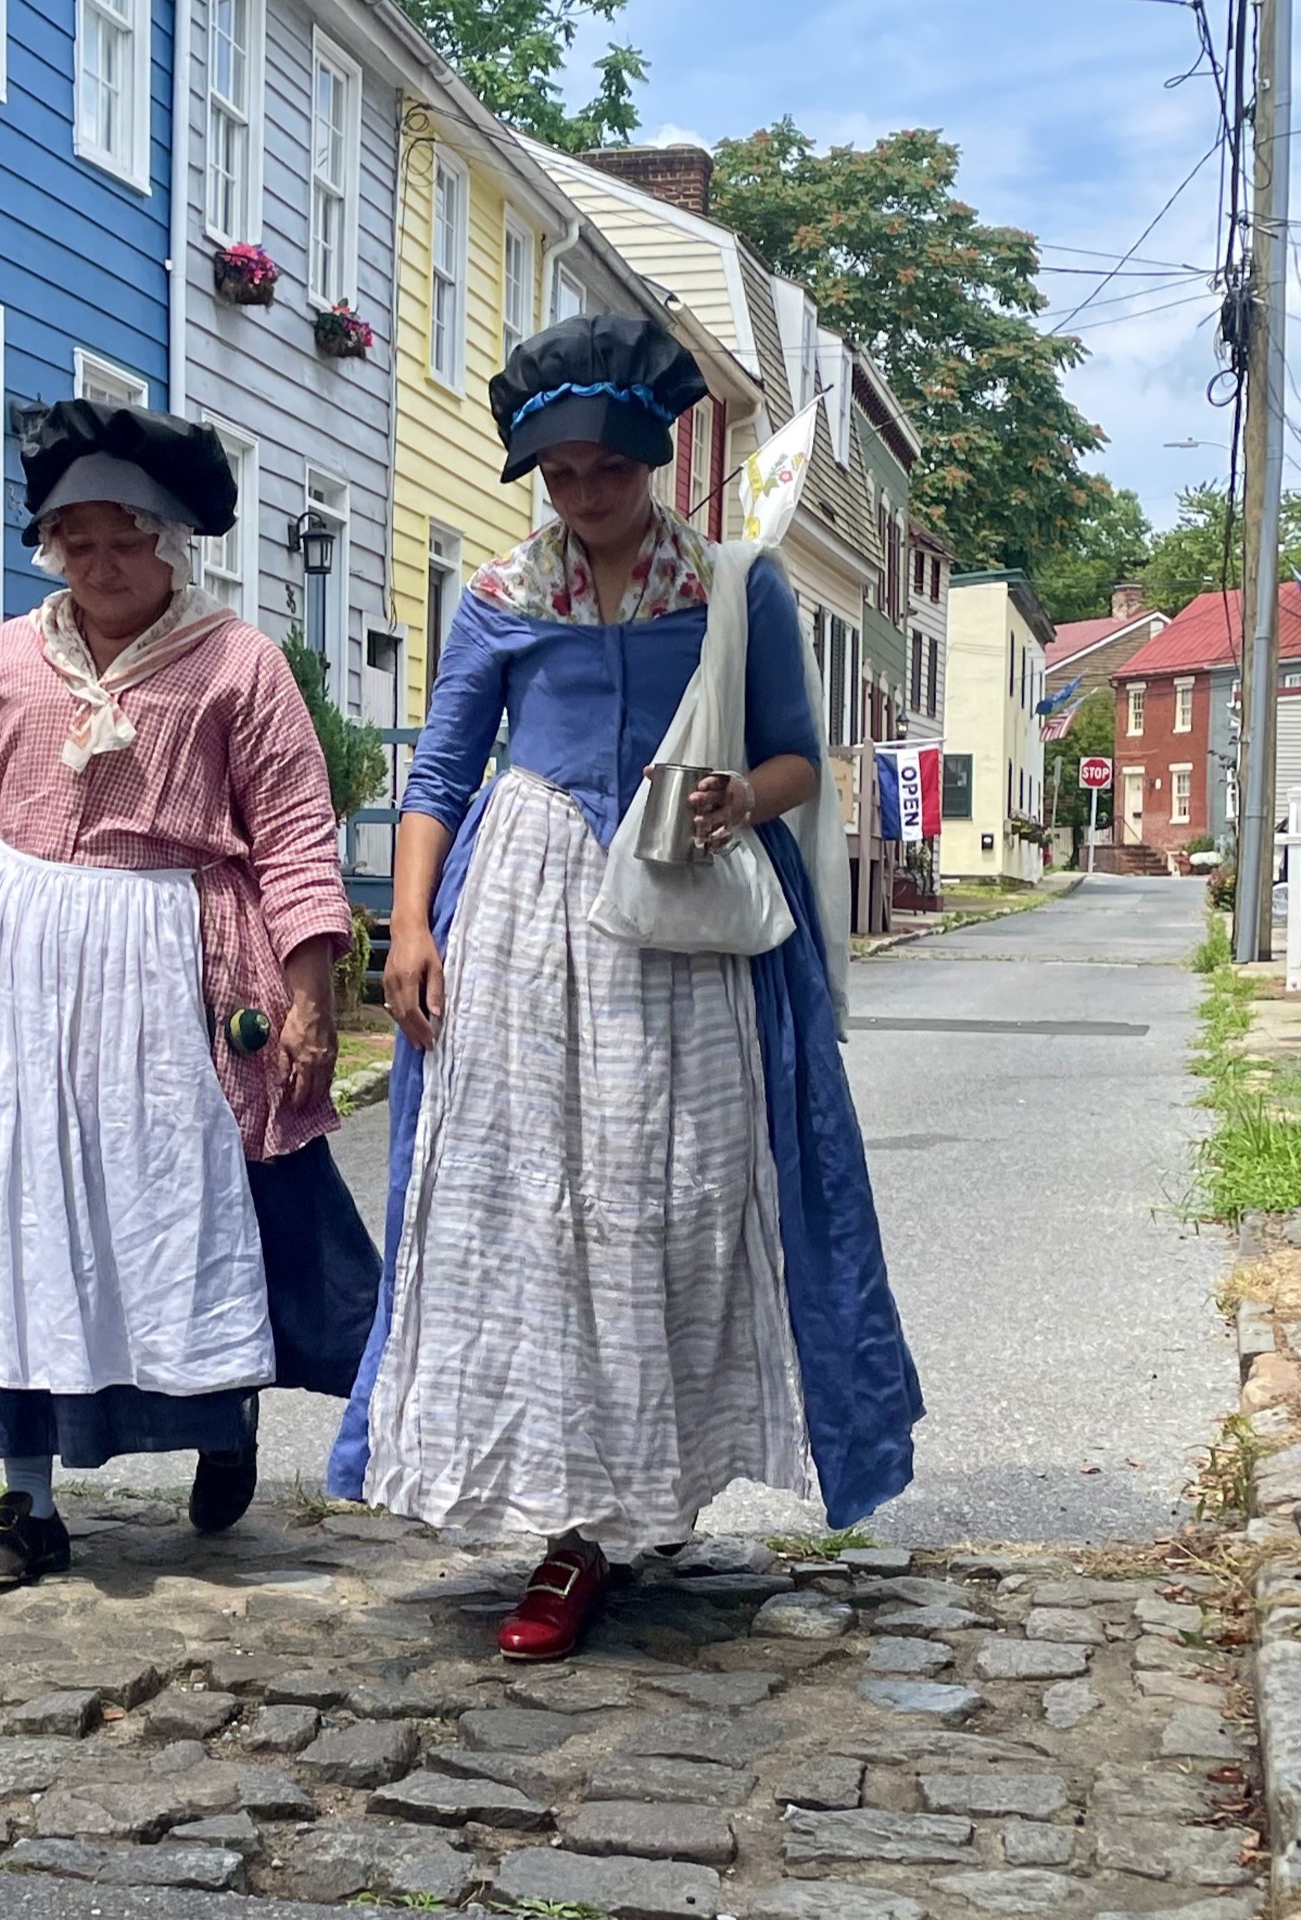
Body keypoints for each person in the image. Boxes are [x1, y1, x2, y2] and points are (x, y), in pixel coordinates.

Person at [328, 314, 923, 1662]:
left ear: (649, 462)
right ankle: (565, 1520)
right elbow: (438, 776)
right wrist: (409, 929)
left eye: (605, 470)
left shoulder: (732, 588)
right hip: (526, 920)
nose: (583, 496)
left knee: (663, 1207)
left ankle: (633, 1493)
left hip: (678, 931)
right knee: (528, 1224)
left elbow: (795, 763)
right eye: (558, 475)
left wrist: (733, 800)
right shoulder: (497, 597)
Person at [0, 398, 380, 1593]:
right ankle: (24, 1498)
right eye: (76, 542)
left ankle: (219, 1414)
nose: (101, 565)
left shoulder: (238, 665)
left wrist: (311, 992)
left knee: (178, 1200)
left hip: (172, 958)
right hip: (12, 959)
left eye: (125, 540)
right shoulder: (10, 655)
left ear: (171, 543)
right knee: (21, 1216)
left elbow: (299, 837)